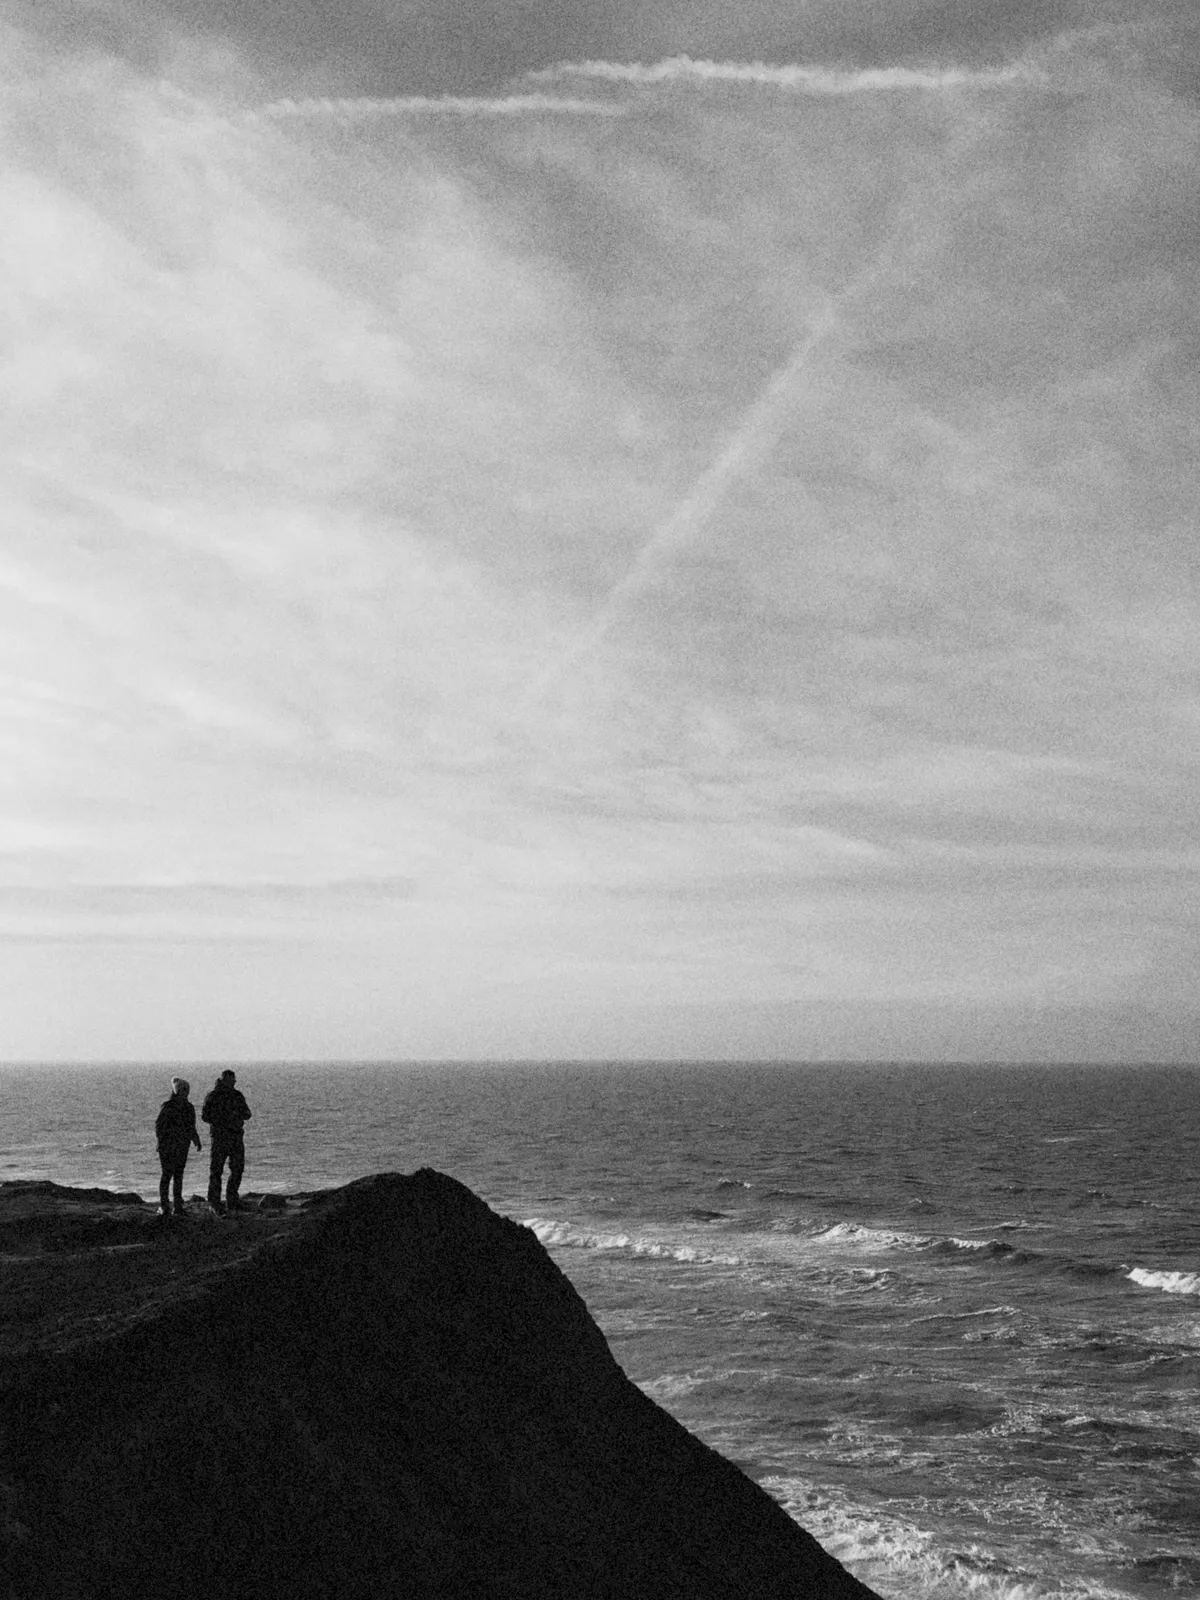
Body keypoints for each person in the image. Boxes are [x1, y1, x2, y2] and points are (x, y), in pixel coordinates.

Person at [201, 1069, 253, 1214]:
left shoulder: (237, 1095)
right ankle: (214, 1203)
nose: (234, 1082)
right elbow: (205, 1116)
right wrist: (223, 1118)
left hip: (235, 1137)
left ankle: (232, 1200)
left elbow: (247, 1113)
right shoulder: (213, 1096)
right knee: (216, 1170)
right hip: (220, 1138)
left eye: (234, 1080)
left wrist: (238, 1114)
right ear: (224, 1080)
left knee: (237, 1169)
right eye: (231, 1080)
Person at [155, 1076, 202, 1218]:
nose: (186, 1092)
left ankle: (177, 1206)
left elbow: (191, 1127)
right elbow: (159, 1127)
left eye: (187, 1090)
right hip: (167, 1147)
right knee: (167, 1175)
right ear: (177, 1091)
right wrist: (162, 1142)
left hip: (182, 1146)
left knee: (178, 1176)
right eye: (183, 1090)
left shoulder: (189, 1107)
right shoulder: (168, 1107)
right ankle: (164, 1206)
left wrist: (196, 1140)